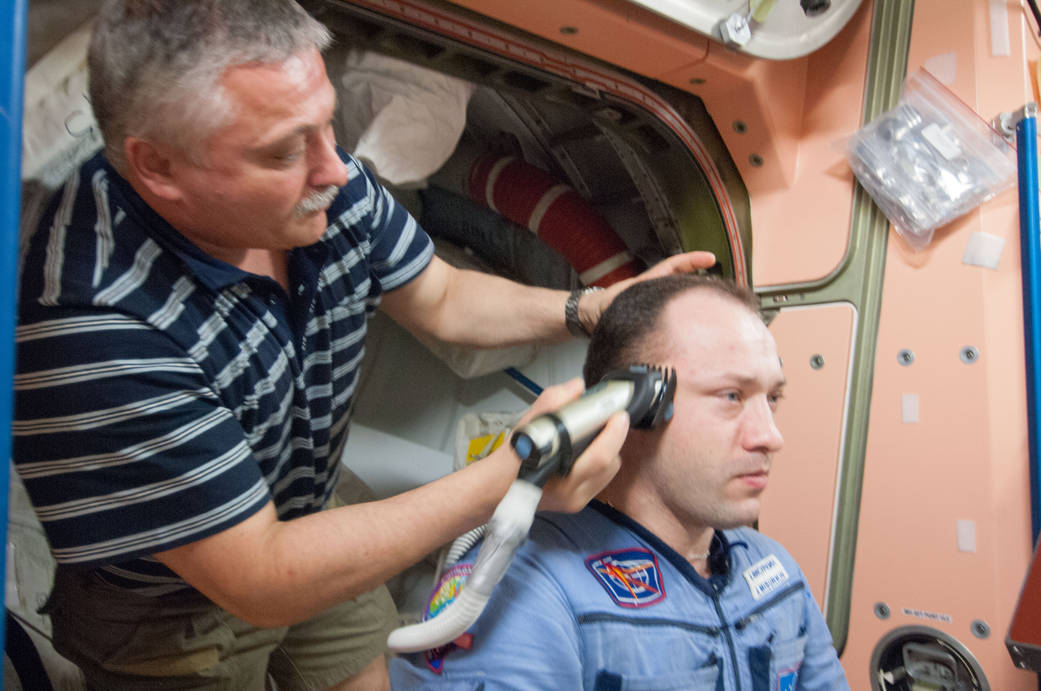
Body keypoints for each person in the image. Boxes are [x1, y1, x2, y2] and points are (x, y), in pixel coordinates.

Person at [12, 1, 716, 689]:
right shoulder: (93, 327)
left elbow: (442, 298)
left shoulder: (318, 184)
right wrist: (513, 475)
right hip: (172, 614)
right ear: (159, 167)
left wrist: (592, 307)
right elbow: (259, 578)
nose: (336, 170)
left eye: (324, 125)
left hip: (309, 510)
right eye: (287, 147)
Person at [389, 275, 850, 690]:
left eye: (773, 398)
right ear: (630, 405)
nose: (771, 436)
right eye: (731, 396)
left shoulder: (774, 570)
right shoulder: (530, 590)